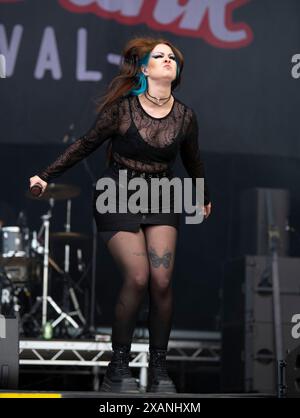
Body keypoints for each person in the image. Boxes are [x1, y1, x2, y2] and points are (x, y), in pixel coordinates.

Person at [29, 36, 212, 393]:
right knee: (139, 277)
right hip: (118, 193)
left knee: (161, 282)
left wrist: (203, 195)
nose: (167, 60)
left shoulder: (185, 116)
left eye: (171, 57)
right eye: (158, 56)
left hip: (162, 195)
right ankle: (118, 368)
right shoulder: (122, 110)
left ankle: (159, 370)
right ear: (144, 69)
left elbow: (194, 160)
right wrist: (45, 176)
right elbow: (84, 144)